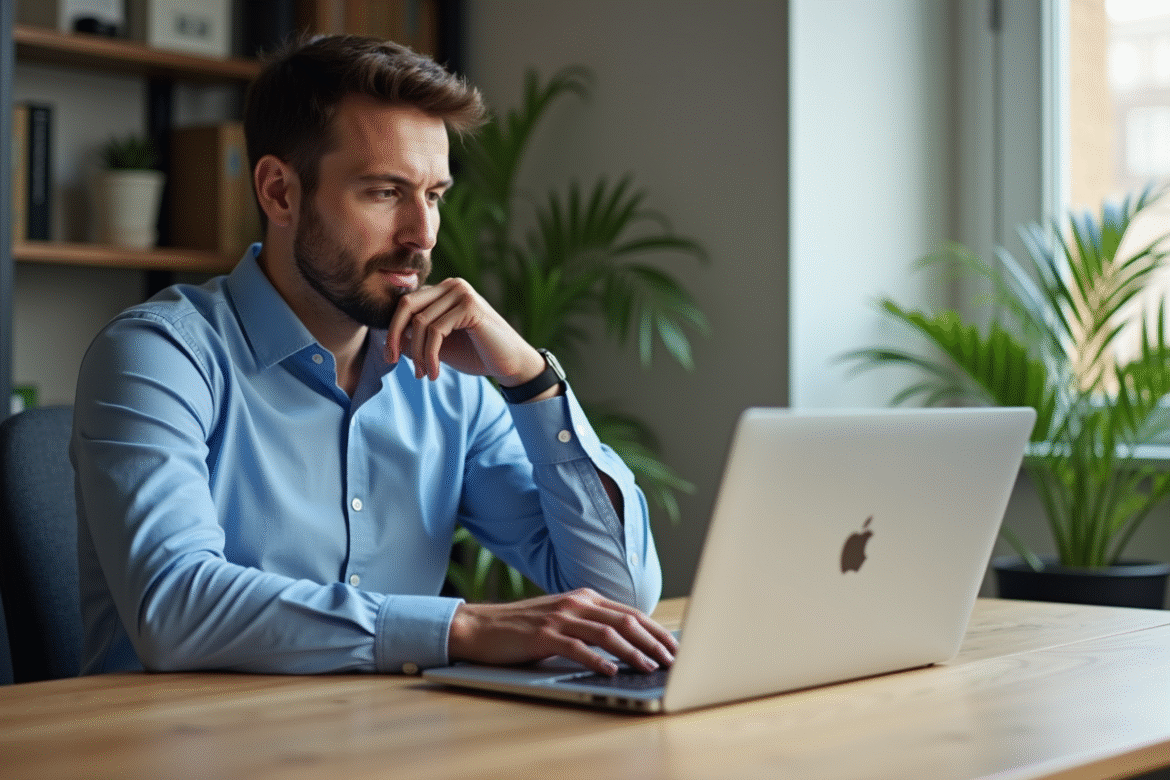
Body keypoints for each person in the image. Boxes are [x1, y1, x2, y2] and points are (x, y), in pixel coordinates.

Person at [71, 34, 677, 678]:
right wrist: (463, 626)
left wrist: (533, 383)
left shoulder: (451, 381)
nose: (421, 235)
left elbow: (618, 594)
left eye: (435, 195)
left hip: (387, 744)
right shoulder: (158, 357)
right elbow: (174, 609)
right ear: (279, 192)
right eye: (385, 193)